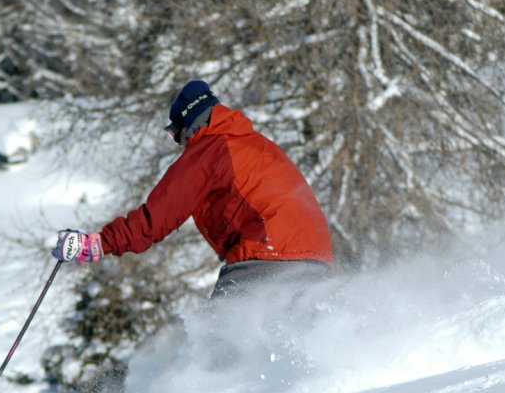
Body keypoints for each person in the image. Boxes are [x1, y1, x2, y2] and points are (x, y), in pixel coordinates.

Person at [52, 80, 333, 299]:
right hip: (316, 260)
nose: (179, 143)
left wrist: (98, 244)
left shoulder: (212, 148)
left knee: (215, 351)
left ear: (187, 126)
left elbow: (159, 215)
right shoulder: (254, 143)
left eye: (176, 134)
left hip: (265, 255)